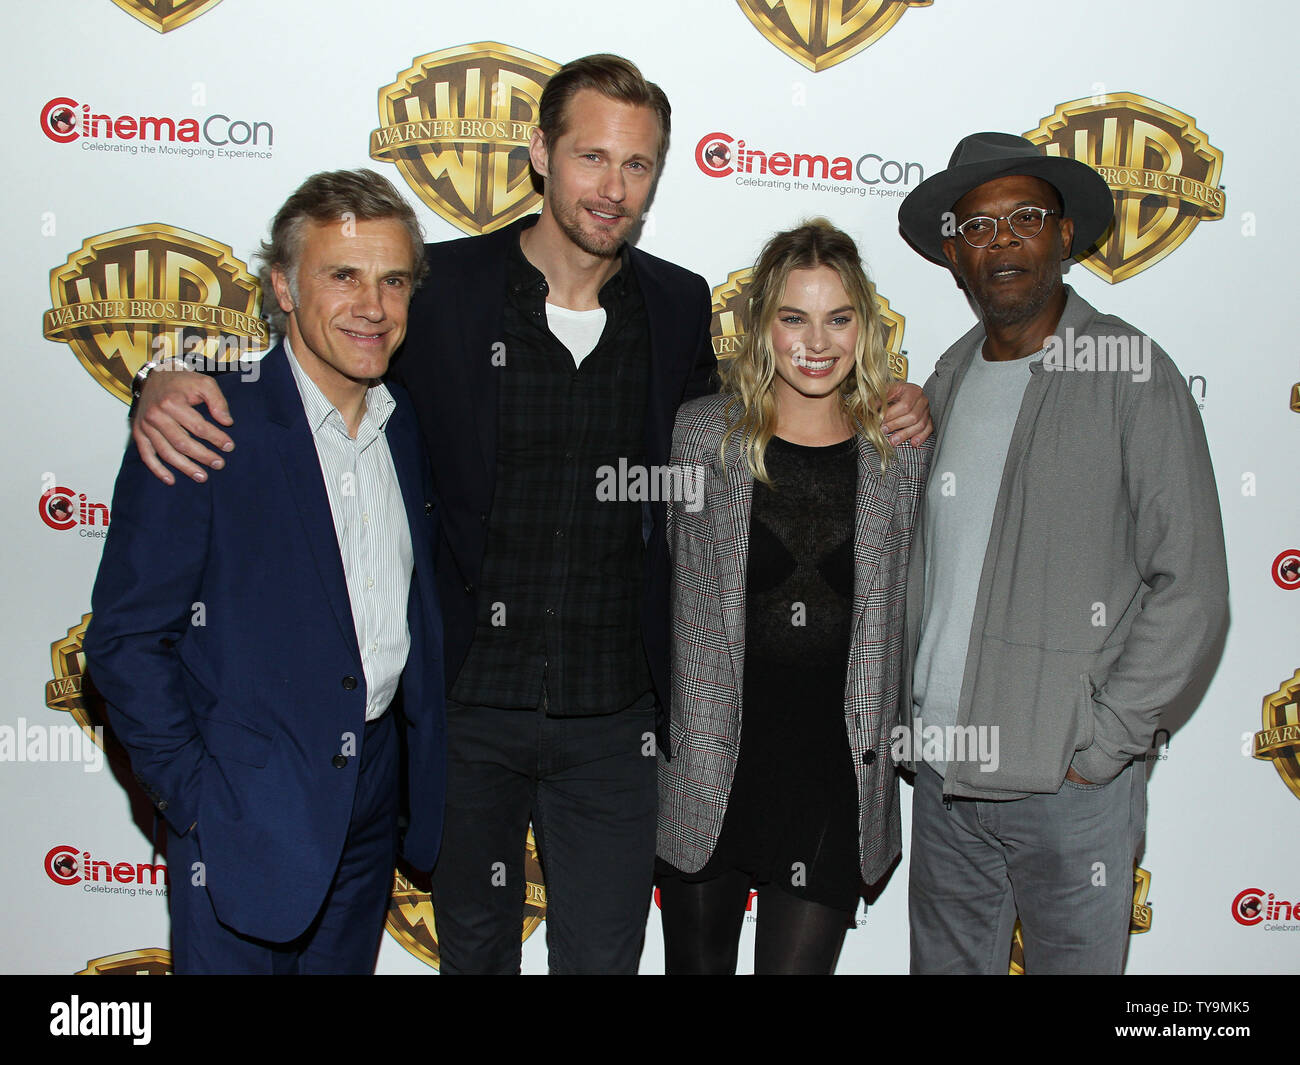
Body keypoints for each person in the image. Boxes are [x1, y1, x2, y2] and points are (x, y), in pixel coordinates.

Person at [127, 55, 932, 975]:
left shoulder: (674, 306)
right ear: (541, 154)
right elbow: (327, 337)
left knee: (603, 959)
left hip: (616, 722)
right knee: (474, 956)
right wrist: (165, 378)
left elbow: (769, 418)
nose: (612, 187)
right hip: (467, 710)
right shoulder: (442, 292)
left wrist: (892, 399)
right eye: (592, 157)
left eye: (637, 166)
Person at [84, 169, 446, 974]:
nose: (373, 305)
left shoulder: (402, 421)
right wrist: (197, 800)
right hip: (246, 810)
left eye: (393, 280)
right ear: (282, 286)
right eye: (342, 276)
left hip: (373, 804)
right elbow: (125, 640)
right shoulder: (207, 422)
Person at [896, 132, 1228, 974]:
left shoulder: (1129, 372)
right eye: (978, 226)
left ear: (1065, 235)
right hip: (941, 778)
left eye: (1026, 217)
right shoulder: (949, 377)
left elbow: (1190, 585)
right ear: (953, 253)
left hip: (1066, 787)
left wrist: (1101, 744)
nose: (1002, 240)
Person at [656, 219, 932, 974]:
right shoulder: (699, 437)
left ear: (864, 327)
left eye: (839, 317)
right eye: (794, 317)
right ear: (761, 326)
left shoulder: (900, 451)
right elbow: (667, 584)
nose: (818, 340)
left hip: (833, 779)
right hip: (714, 765)